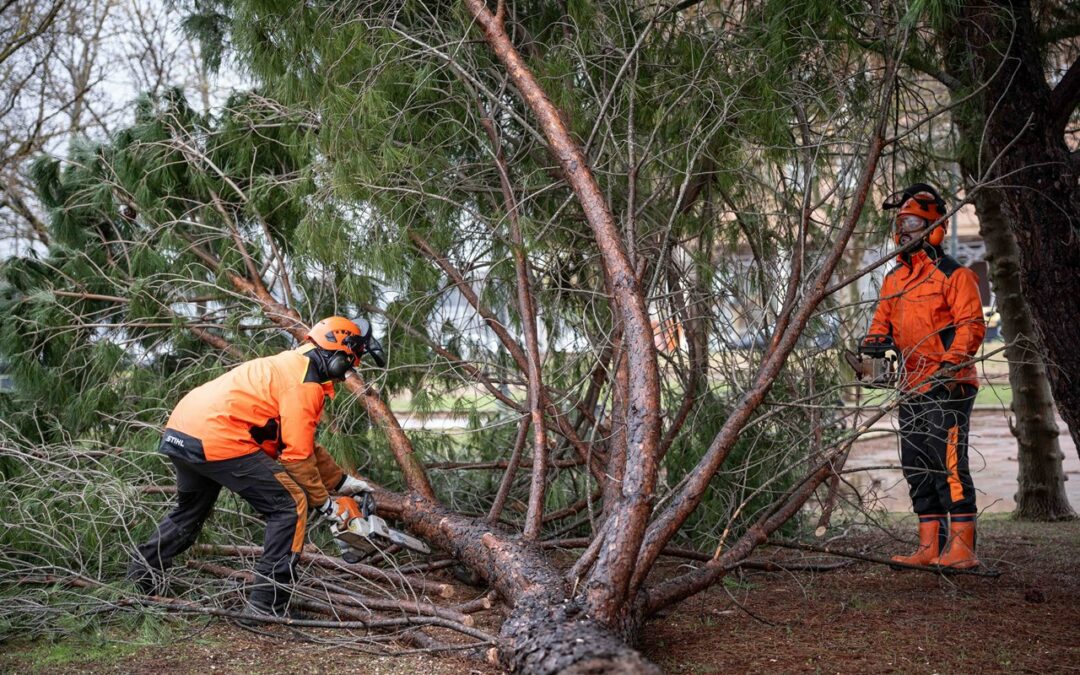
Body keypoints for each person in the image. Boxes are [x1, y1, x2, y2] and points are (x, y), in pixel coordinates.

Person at [127, 316, 381, 615]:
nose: (346, 373)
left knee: (189, 513)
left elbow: (300, 443)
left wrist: (340, 482)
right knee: (290, 505)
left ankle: (137, 583)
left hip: (183, 432)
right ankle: (266, 603)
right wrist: (327, 506)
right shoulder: (305, 385)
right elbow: (296, 459)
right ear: (338, 353)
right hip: (219, 437)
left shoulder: (290, 363)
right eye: (349, 363)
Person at [867, 184, 986, 569]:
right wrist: (871, 347)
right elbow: (880, 324)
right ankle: (928, 547)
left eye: (914, 224)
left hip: (948, 384)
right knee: (916, 461)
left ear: (934, 226)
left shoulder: (955, 275)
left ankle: (963, 548)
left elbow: (971, 326)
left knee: (947, 462)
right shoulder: (894, 280)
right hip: (911, 385)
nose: (905, 233)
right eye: (901, 224)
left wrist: (949, 366)